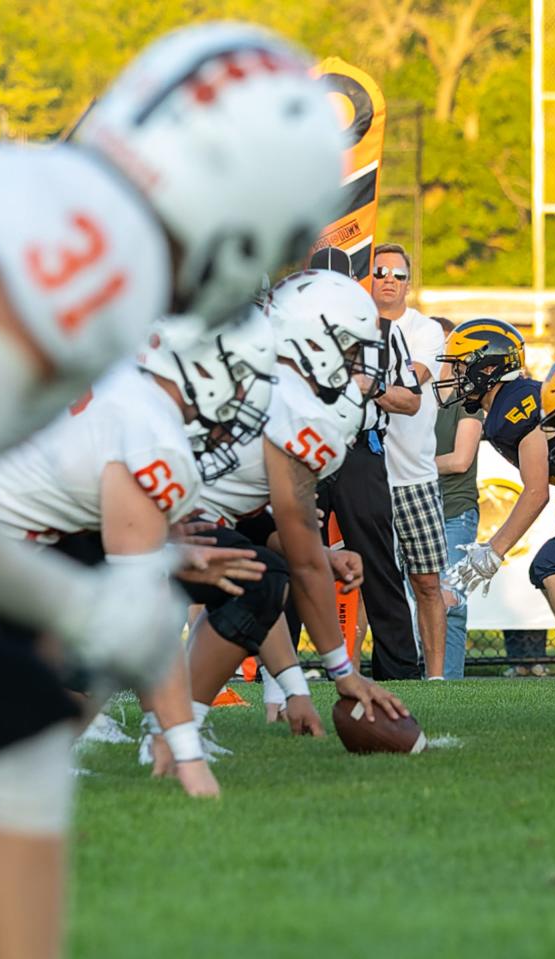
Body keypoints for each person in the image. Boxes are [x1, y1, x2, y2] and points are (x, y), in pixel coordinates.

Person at [0, 22, 345, 959]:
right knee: (17, 729)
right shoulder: (101, 250)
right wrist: (78, 602)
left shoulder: (35, 179)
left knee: (18, 732)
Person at [0, 314, 280, 796]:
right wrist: (186, 751)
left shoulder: (126, 389)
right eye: (241, 380)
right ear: (200, 369)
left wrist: (171, 555)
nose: (244, 399)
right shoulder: (153, 435)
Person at [193, 271, 407, 728]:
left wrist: (320, 553)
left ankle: (175, 730)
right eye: (348, 345)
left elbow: (268, 540)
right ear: (313, 338)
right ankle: (166, 732)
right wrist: (343, 673)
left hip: (142, 501)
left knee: (254, 573)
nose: (355, 360)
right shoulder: (296, 406)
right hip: (102, 501)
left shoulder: (260, 376)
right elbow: (302, 559)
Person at [437, 323, 555, 688]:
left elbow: (537, 492)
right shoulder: (505, 407)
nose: (454, 377)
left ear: (487, 368)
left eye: (460, 367)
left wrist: (494, 551)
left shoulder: (516, 405)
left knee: (552, 563)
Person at [320, 260, 423, 680]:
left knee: (378, 561)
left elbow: (412, 401)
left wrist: (374, 387)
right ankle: (275, 668)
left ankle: (398, 669)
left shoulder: (383, 332)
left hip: (360, 451)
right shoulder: (288, 332)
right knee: (288, 554)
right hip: (304, 452)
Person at [373, 244, 449, 679]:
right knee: (367, 584)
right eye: (380, 271)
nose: (388, 279)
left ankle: (435, 677)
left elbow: (412, 380)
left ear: (408, 282)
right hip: (364, 474)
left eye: (397, 274)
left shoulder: (425, 329)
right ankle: (354, 673)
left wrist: (358, 380)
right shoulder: (353, 324)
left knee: (426, 582)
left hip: (414, 475)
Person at [433, 317, 484, 679]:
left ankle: (446, 684)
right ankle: (421, 680)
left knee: (449, 601)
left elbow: (460, 460)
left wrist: (410, 467)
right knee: (413, 601)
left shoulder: (468, 399)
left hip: (453, 510)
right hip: (413, 506)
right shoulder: (411, 397)